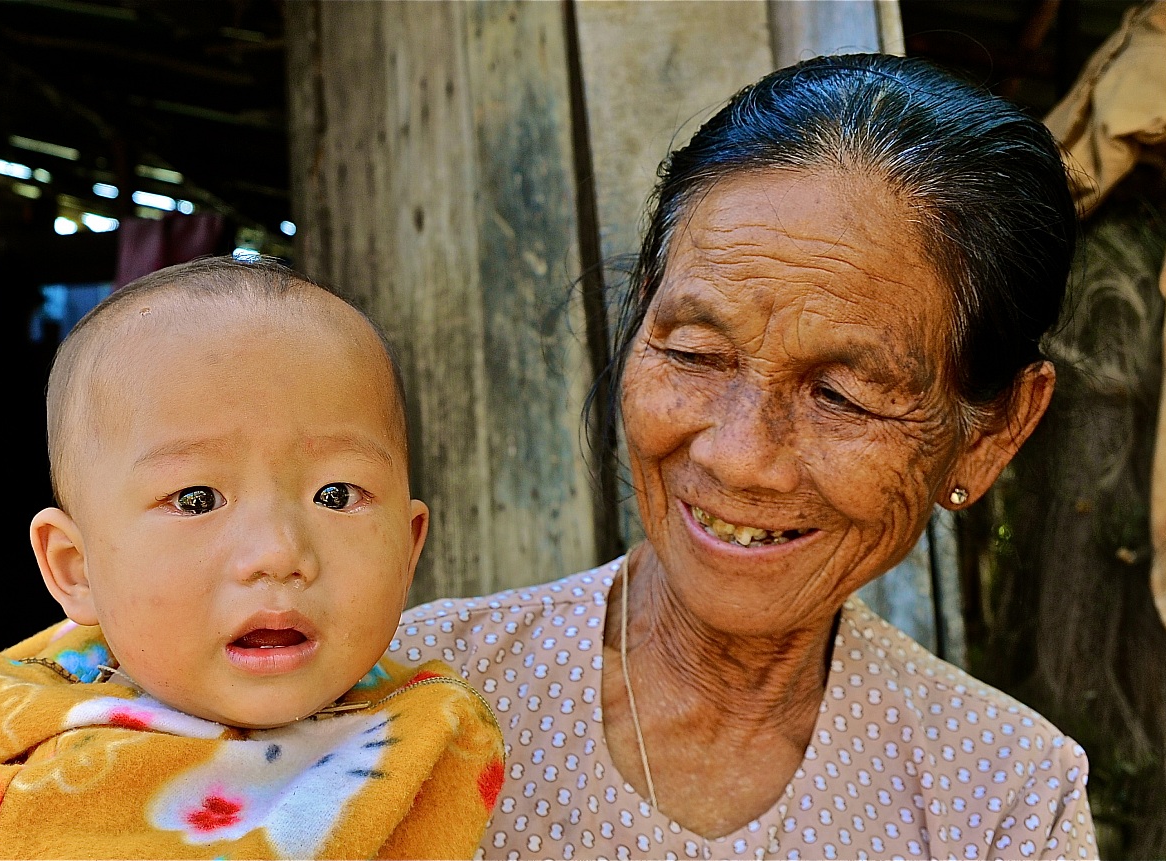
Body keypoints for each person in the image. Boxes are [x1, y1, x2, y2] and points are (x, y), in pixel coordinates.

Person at [391, 53, 1098, 859]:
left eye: (842, 396)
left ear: (992, 430)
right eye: (694, 352)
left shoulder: (1005, 798)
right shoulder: (411, 697)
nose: (740, 458)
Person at [0, 257, 505, 860]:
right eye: (197, 499)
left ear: (408, 550)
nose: (278, 553)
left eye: (335, 495)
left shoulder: (432, 736)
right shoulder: (8, 745)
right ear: (77, 567)